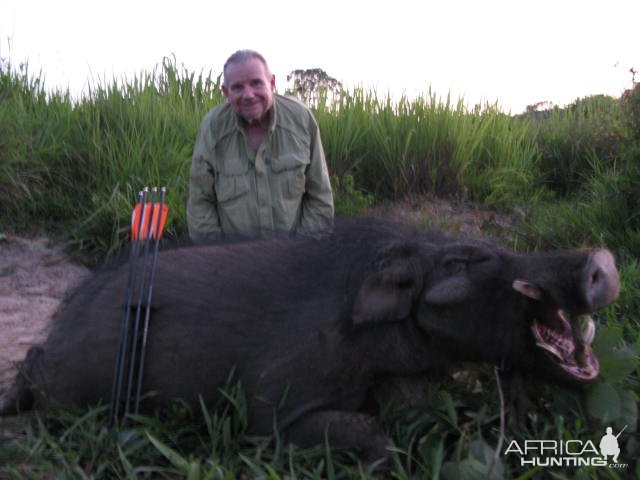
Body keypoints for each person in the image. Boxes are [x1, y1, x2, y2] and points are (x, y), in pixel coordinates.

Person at [187, 49, 334, 241]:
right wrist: (218, 257)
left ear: (272, 83)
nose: (248, 95)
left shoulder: (301, 120)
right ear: (226, 92)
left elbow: (320, 197)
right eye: (237, 87)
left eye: (256, 83)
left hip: (295, 255)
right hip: (232, 261)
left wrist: (302, 252)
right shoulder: (213, 127)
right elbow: (200, 203)